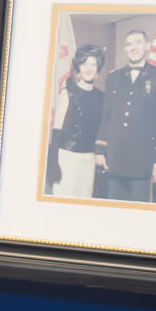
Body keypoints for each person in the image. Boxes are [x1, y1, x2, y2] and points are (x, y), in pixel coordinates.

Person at [94, 27, 156, 203]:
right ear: (125, 49)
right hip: (114, 160)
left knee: (139, 214)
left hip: (144, 164)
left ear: (147, 46)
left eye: (138, 43)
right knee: (114, 210)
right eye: (128, 44)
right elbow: (106, 116)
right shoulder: (114, 77)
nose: (133, 48)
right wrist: (100, 149)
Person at [49, 44, 106, 197]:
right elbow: (56, 129)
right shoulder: (67, 94)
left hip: (89, 159)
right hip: (67, 158)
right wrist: (54, 164)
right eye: (84, 64)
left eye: (92, 64)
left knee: (84, 200)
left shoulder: (102, 98)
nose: (88, 68)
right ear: (78, 67)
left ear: (97, 68)